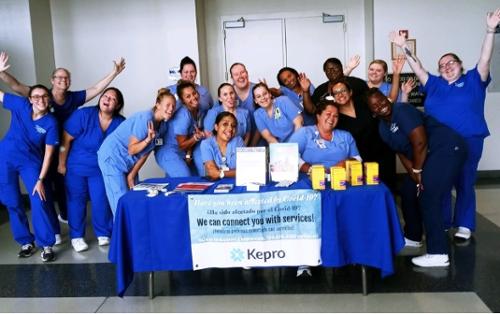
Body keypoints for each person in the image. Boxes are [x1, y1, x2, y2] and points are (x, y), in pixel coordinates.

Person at [390, 8, 500, 240]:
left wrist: (490, 30)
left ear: (461, 65)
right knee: (438, 182)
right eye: (442, 65)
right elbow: (417, 66)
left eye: (451, 62)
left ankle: (465, 225)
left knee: (465, 181)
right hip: (439, 143)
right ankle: (442, 222)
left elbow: (485, 57)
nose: (447, 66)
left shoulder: (474, 79)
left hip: (469, 139)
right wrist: (403, 47)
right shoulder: (434, 84)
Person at [0, 51, 125, 226]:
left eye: (66, 78)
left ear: (70, 82)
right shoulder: (41, 95)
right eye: (59, 77)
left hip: (63, 149)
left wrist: (115, 73)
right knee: (45, 188)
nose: (63, 80)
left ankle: (66, 215)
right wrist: (2, 73)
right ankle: (53, 227)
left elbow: (97, 89)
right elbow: (16, 86)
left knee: (63, 185)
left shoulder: (73, 98)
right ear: (52, 80)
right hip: (41, 149)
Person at [367, 88, 467, 267]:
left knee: (428, 195)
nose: (381, 106)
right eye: (375, 106)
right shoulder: (383, 128)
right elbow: (402, 153)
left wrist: (419, 172)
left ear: (388, 98)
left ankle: (438, 253)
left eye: (382, 100)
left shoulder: (402, 110)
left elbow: (420, 142)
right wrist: (413, 174)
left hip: (446, 148)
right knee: (408, 188)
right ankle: (413, 237)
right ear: (372, 112)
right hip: (427, 157)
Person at [0, 56, 59, 262]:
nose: (40, 100)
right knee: (11, 200)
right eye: (36, 96)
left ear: (49, 99)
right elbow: (5, 91)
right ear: (30, 99)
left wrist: (41, 180)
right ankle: (26, 241)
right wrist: (0, 72)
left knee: (39, 198)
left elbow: (50, 153)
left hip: (31, 162)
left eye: (44, 96)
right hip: (5, 157)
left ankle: (47, 244)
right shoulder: (20, 105)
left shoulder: (51, 122)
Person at [58, 87, 125, 252]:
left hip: (101, 169)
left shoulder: (120, 123)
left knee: (101, 199)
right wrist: (61, 163)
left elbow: (124, 146)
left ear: (117, 105)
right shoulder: (84, 115)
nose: (107, 99)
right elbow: (65, 140)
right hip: (76, 166)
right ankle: (77, 236)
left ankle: (103, 233)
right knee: (76, 201)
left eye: (113, 98)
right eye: (106, 96)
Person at [97, 88, 175, 216]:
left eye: (173, 106)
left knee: (133, 197)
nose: (171, 109)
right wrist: (148, 139)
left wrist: (132, 175)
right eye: (167, 105)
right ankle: (121, 235)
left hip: (128, 162)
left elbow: (145, 153)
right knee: (121, 201)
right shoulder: (145, 119)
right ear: (158, 105)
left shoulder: (162, 126)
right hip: (111, 158)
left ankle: (133, 233)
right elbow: (132, 149)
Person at [330, 79, 397, 191]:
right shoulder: (336, 118)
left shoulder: (363, 102)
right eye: (336, 93)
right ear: (333, 97)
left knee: (388, 189)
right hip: (362, 161)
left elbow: (388, 101)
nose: (340, 94)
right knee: (369, 191)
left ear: (350, 92)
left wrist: (396, 74)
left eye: (343, 90)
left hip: (384, 152)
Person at [289, 100, 361, 173]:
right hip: (310, 180)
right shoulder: (305, 132)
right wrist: (311, 170)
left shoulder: (346, 136)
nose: (332, 118)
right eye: (328, 114)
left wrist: (346, 163)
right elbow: (289, 155)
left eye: (335, 116)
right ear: (318, 116)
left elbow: (358, 159)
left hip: (340, 180)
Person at [155, 81, 207, 177]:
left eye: (194, 93)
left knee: (196, 178)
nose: (193, 97)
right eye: (188, 97)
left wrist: (188, 155)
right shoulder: (183, 115)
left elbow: (189, 135)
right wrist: (196, 138)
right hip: (168, 151)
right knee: (185, 178)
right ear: (182, 101)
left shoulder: (199, 110)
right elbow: (182, 144)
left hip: (182, 151)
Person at [201, 112, 245, 180]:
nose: (230, 128)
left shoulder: (238, 141)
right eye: (225, 124)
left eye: (233, 126)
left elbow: (245, 170)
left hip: (236, 182)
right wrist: (234, 172)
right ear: (216, 127)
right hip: (214, 184)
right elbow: (212, 172)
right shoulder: (206, 144)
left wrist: (221, 173)